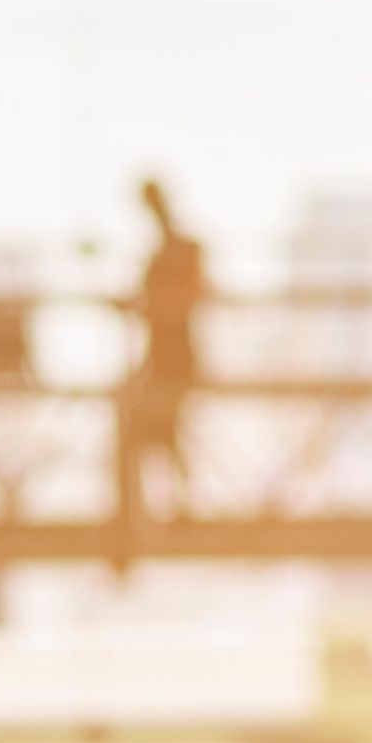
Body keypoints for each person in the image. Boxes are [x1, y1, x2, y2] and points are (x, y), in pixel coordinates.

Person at [113, 174, 207, 545]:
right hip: (167, 357)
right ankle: (172, 505)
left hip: (172, 358)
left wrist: (147, 305)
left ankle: (171, 507)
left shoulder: (177, 250)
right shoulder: (175, 248)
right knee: (163, 433)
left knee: (162, 431)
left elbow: (179, 299)